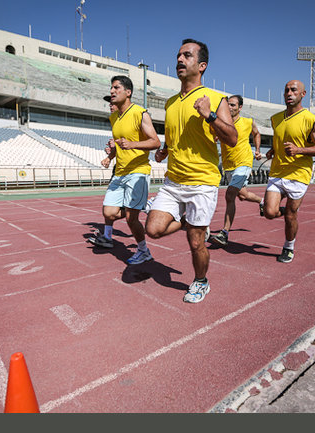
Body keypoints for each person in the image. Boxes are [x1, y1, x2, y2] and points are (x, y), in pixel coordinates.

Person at [146, 38, 237, 303]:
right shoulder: (171, 103)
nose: (180, 60)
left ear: (202, 65)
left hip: (202, 182)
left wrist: (209, 115)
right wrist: (164, 150)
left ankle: (200, 281)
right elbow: (174, 137)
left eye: (187, 55)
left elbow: (231, 138)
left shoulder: (216, 99)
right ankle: (192, 222)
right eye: (178, 55)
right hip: (174, 182)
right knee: (153, 229)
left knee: (196, 242)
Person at [88, 76, 161, 265]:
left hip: (138, 170)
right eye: (111, 87)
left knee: (131, 217)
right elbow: (120, 145)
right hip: (120, 172)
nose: (112, 91)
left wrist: (132, 144)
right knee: (109, 212)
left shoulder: (140, 113)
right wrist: (110, 154)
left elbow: (155, 142)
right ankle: (143, 206)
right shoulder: (114, 117)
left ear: (128, 92)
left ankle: (144, 250)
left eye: (116, 88)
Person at [261, 80, 315, 263]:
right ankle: (284, 210)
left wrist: (299, 150)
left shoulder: (311, 120)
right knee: (269, 212)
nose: (289, 93)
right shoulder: (275, 119)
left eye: (293, 90)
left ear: (303, 94)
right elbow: (282, 139)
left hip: (299, 174)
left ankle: (288, 247)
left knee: (291, 216)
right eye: (286, 90)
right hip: (277, 172)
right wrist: (274, 150)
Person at [208, 94, 263, 247]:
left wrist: (257, 150)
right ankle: (262, 201)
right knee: (243, 195)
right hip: (228, 165)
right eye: (228, 105)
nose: (230, 108)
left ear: (240, 107)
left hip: (244, 162)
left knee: (230, 194)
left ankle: (224, 233)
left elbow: (256, 133)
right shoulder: (222, 123)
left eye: (233, 105)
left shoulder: (247, 122)